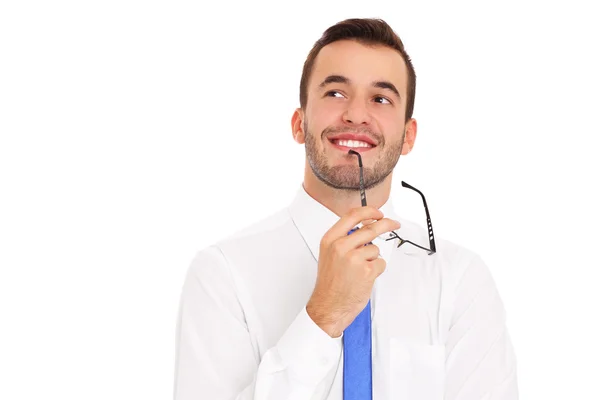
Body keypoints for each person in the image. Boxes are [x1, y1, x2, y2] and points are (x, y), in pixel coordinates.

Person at [173, 17, 518, 400]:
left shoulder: (460, 280)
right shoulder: (222, 275)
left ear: (408, 137)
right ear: (299, 124)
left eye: (381, 98)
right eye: (336, 93)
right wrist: (323, 317)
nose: (355, 115)